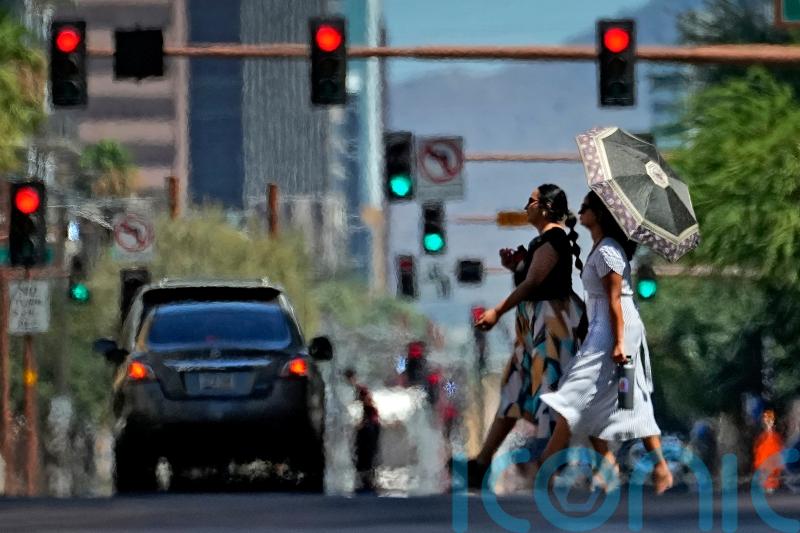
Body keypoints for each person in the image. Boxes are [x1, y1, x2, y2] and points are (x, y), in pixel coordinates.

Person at [538, 190, 673, 495]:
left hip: (615, 330)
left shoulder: (609, 250)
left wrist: (619, 344)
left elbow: (614, 300)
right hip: (605, 328)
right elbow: (600, 300)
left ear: (598, 214)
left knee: (573, 396)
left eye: (585, 207)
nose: (580, 211)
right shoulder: (601, 247)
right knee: (626, 399)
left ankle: (547, 467)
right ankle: (654, 466)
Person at [468, 183, 587, 489]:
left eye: (531, 201)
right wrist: (515, 268)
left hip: (552, 326)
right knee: (513, 391)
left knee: (553, 393)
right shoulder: (541, 243)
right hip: (533, 327)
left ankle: (551, 464)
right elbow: (529, 279)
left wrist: (497, 311)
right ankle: (481, 463)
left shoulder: (554, 238)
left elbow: (534, 283)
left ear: (546, 207)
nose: (526, 206)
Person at [344, 368, 381, 493]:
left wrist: (363, 423)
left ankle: (366, 477)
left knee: (365, 451)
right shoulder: (357, 390)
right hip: (367, 426)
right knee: (364, 452)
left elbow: (368, 407)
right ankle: (366, 477)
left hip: (368, 426)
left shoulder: (360, 390)